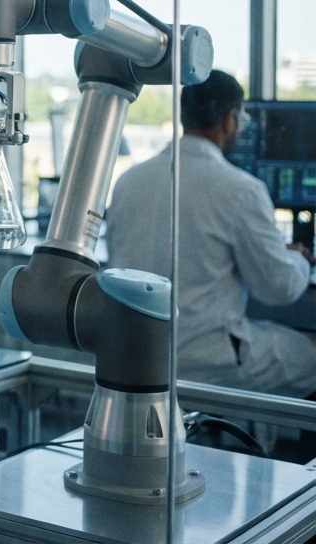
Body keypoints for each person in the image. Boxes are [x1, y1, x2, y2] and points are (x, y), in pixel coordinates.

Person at [106, 69, 316, 399]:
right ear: (230, 119)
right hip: (208, 359)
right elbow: (279, 287)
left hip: (140, 354)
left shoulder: (128, 182)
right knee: (309, 356)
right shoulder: (241, 190)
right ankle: (264, 448)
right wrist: (298, 259)